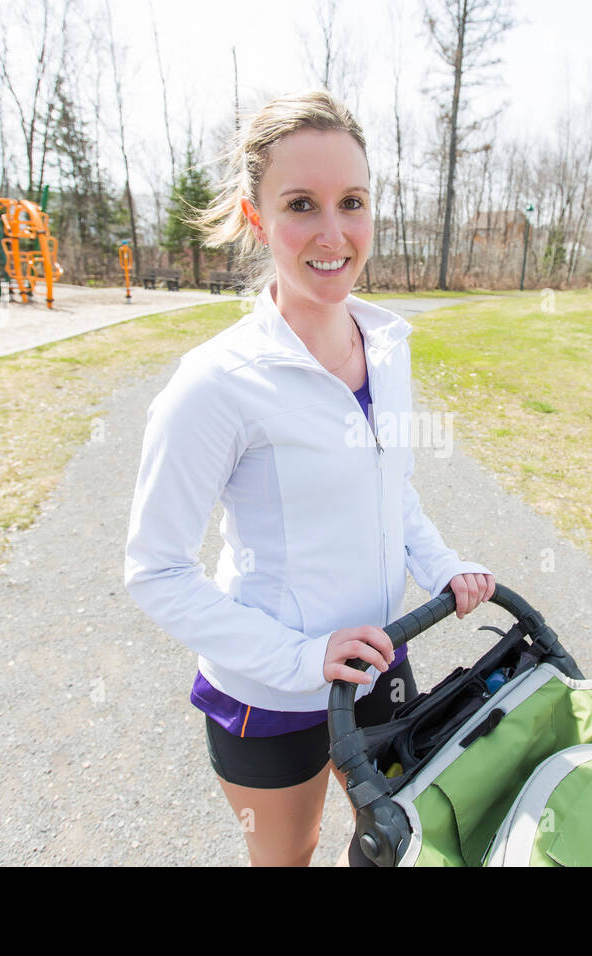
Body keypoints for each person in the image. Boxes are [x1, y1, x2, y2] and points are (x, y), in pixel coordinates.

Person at [124, 89, 495, 867]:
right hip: (271, 695)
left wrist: (443, 567)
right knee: (292, 858)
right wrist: (302, 659)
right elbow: (155, 572)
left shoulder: (387, 345)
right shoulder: (215, 383)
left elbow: (392, 493)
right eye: (301, 204)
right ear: (256, 218)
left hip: (381, 663)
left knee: (399, 844)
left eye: (352, 203)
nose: (334, 235)